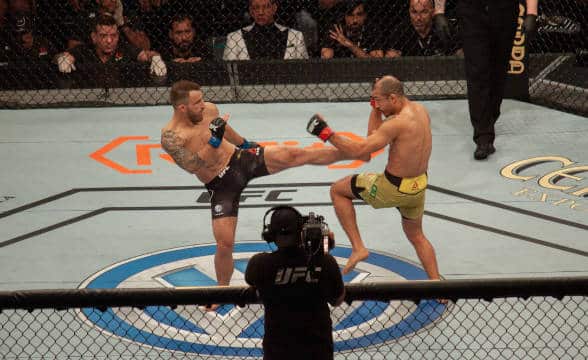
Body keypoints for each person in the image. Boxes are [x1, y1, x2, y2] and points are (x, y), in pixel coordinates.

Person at [160, 80, 360, 294]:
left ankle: (351, 151)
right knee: (224, 244)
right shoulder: (171, 137)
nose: (203, 104)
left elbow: (223, 128)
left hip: (239, 159)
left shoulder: (208, 109)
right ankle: (221, 292)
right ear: (182, 108)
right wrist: (214, 141)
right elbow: (193, 166)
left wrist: (244, 143)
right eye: (197, 102)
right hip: (220, 183)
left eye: (201, 99)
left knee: (291, 154)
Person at [306, 75, 441, 280]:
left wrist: (326, 134)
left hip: (391, 189)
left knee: (338, 190)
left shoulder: (395, 124)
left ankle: (358, 247)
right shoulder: (420, 111)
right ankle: (436, 284)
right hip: (418, 187)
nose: (376, 104)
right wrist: (375, 108)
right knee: (417, 235)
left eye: (378, 100)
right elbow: (373, 135)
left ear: (393, 98)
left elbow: (362, 152)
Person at [433, 0, 539, 160]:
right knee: (477, 71)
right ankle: (483, 137)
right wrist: (439, 11)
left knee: (499, 70)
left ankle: (489, 119)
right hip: (471, 10)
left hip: (504, 10)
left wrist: (532, 12)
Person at [245, 205, 345, 360]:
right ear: (302, 233)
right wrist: (322, 251)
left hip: (278, 352)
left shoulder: (260, 264)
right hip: (318, 351)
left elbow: (252, 280)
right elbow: (337, 299)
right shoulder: (325, 262)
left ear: (270, 234)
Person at [54, 14, 166, 85]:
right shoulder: (84, 50)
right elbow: (59, 56)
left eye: (113, 36)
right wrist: (62, 58)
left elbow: (146, 54)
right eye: (103, 35)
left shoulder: (124, 48)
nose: (109, 40)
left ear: (118, 35)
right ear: (94, 37)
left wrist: (155, 57)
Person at [223, 0, 308, 60]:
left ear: (274, 8)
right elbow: (229, 73)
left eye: (266, 7)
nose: (261, 12)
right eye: (256, 7)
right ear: (251, 11)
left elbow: (304, 70)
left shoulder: (296, 36)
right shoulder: (234, 38)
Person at [384, 0, 461, 57]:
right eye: (414, 12)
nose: (418, 18)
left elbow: (460, 55)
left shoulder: (445, 29)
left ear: (432, 12)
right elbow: (391, 58)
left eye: (424, 12)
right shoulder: (401, 30)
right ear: (409, 12)